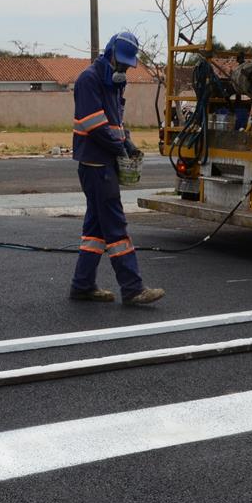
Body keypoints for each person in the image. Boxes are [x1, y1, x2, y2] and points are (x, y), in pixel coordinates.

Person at [69, 32, 164, 306]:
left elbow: (116, 123)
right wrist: (119, 148)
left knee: (96, 229)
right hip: (96, 163)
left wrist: (128, 143)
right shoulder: (89, 80)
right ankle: (133, 288)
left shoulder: (115, 83)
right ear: (109, 53)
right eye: (121, 63)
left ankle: (82, 284)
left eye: (126, 65)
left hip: (104, 160)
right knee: (115, 225)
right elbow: (94, 125)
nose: (123, 69)